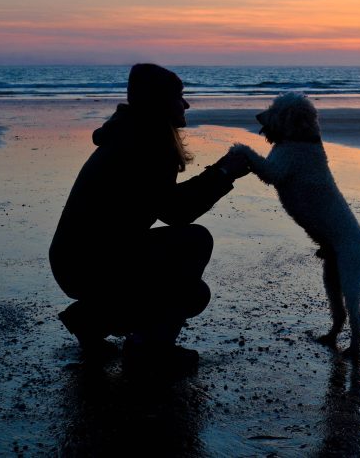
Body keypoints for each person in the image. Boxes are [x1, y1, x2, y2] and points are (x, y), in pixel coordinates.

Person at [49, 63, 250, 371]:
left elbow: (164, 204)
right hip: (88, 262)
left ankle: (89, 320)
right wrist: (223, 173)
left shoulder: (132, 133)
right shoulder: (146, 142)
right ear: (159, 102)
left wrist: (220, 172)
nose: (186, 104)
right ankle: (150, 347)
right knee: (195, 247)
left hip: (77, 258)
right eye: (178, 97)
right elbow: (175, 211)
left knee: (192, 290)